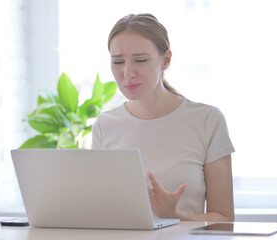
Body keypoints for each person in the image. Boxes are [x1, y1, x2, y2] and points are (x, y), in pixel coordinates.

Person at [92, 13, 235, 222]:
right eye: (118, 62)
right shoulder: (105, 125)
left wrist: (175, 216)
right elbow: (98, 211)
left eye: (140, 60)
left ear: (165, 60)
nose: (127, 73)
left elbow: (224, 221)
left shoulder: (207, 120)